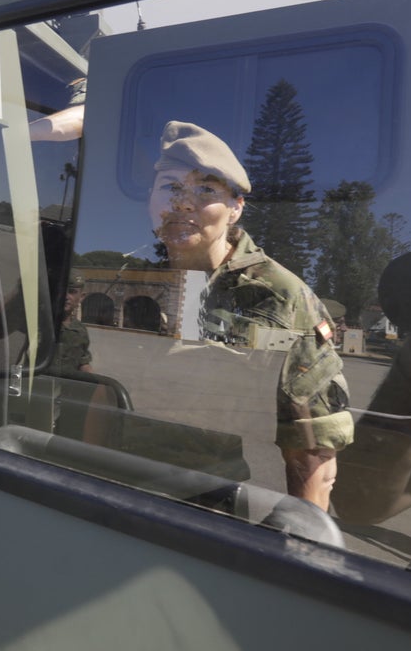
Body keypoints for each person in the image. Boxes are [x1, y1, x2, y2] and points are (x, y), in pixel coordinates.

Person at [148, 120, 353, 511]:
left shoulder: (278, 296)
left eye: (205, 189)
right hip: (121, 481)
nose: (182, 202)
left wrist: (299, 547)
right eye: (171, 187)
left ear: (236, 208)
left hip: (213, 504)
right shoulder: (136, 276)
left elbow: (311, 445)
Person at [50, 270, 93, 375]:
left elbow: (83, 362)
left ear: (81, 297)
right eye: (60, 290)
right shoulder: (38, 321)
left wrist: (96, 384)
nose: (65, 296)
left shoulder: (80, 330)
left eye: (72, 291)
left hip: (67, 388)